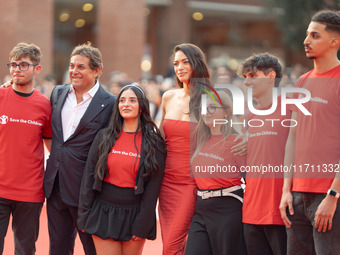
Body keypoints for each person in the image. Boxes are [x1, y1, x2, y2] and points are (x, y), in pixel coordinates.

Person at [158, 43, 246, 255]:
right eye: (176, 63)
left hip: (192, 182)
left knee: (173, 246)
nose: (179, 67)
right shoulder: (168, 97)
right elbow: (161, 138)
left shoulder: (210, 97)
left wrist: (248, 138)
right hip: (165, 182)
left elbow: (231, 128)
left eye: (185, 62)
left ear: (197, 63)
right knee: (170, 241)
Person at [43, 42, 116, 255]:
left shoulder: (110, 103)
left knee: (91, 249)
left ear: (97, 70)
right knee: (57, 248)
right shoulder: (57, 93)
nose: (74, 71)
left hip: (87, 190)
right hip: (55, 185)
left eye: (81, 67)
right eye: (72, 65)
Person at [78, 84, 166, 255]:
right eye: (122, 100)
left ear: (142, 106)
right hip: (103, 212)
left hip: (134, 214)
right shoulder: (104, 137)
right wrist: (84, 215)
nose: (126, 104)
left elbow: (152, 190)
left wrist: (142, 225)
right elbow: (88, 178)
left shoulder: (155, 144)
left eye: (132, 100)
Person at [279, 10, 340, 255]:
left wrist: (334, 194)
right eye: (307, 35)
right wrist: (286, 190)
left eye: (315, 36)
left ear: (335, 41)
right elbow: (292, 137)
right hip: (296, 197)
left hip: (329, 195)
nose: (306, 41)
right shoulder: (302, 81)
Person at [0, 42, 52, 254]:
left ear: (36, 69)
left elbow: (52, 147)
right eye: (13, 65)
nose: (16, 70)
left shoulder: (45, 105)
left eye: (23, 65)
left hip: (30, 193)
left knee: (25, 250)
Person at [185, 90, 247, 255]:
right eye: (204, 108)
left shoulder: (237, 142)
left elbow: (252, 181)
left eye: (212, 107)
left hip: (228, 209)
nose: (206, 112)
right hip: (201, 209)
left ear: (227, 111)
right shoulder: (200, 139)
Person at [239, 53, 289, 255]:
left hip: (281, 210)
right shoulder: (250, 114)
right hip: (251, 210)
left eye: (252, 76)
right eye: (245, 77)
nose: (246, 82)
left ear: (271, 77)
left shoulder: (291, 109)